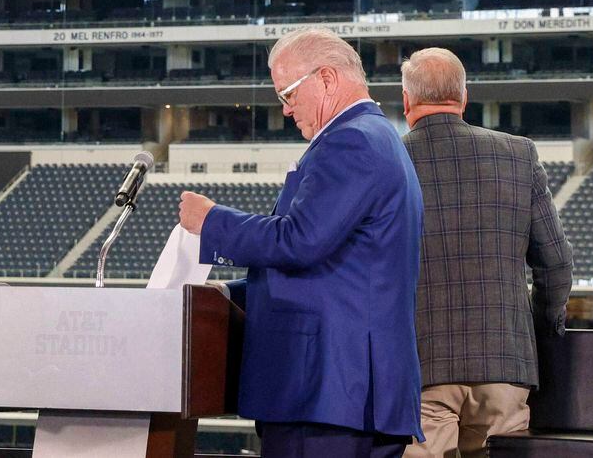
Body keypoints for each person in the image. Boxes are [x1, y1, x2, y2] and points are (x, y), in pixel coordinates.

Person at [179, 28, 424, 458]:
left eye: (288, 94)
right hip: (345, 392)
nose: (287, 110)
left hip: (327, 391)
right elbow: (337, 269)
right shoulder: (374, 137)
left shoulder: (351, 140)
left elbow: (301, 240)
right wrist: (229, 294)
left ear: (327, 78)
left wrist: (212, 222)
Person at [400, 48, 572, 458]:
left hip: (421, 364)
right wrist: (541, 328)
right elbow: (556, 263)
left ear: (406, 100)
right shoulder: (518, 154)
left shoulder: (389, 160)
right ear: (463, 96)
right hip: (505, 364)